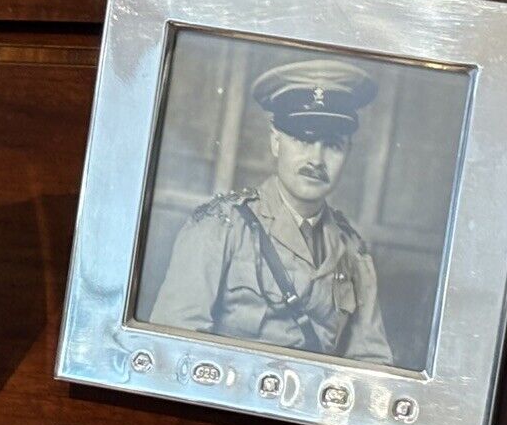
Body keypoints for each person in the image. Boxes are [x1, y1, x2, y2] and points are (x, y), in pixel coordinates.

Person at [148, 59, 394, 365]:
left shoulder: (353, 253)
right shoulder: (220, 227)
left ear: (348, 154)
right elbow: (171, 346)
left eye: (332, 145)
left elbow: (372, 364)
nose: (316, 159)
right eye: (303, 139)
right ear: (276, 141)